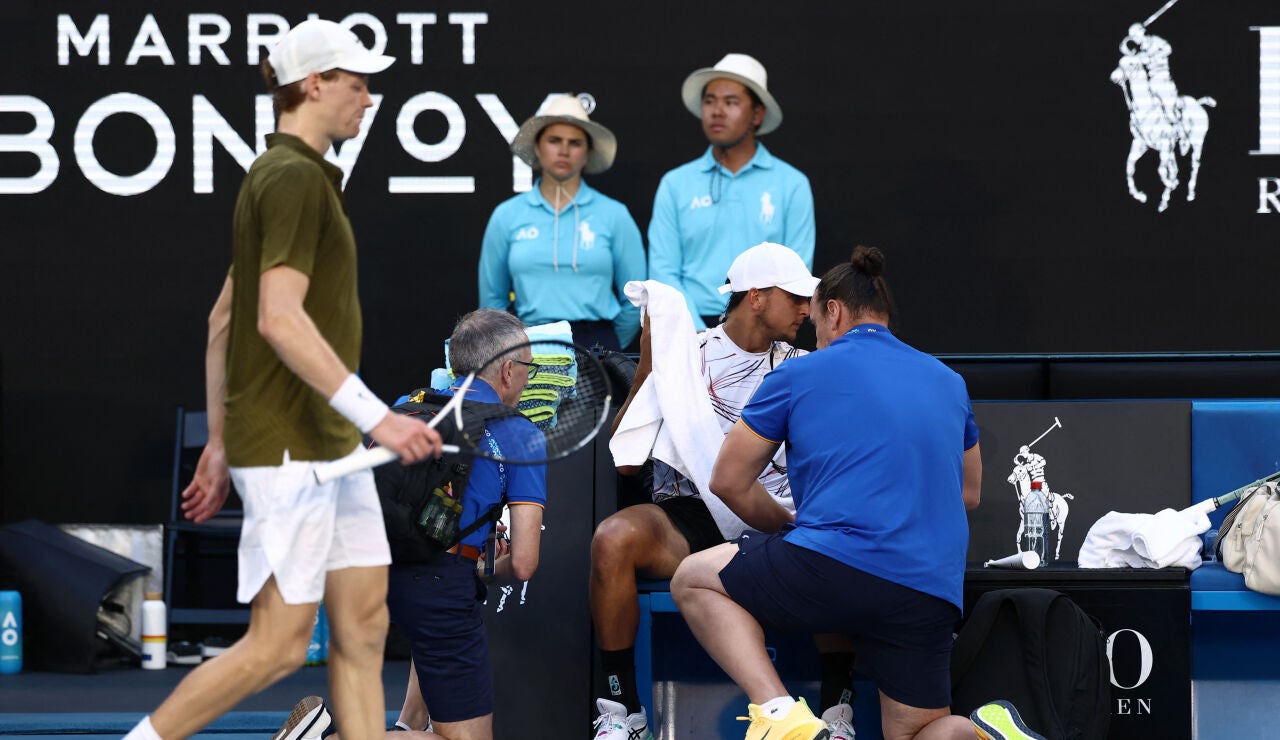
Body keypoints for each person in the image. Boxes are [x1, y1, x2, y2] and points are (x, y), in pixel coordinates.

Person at [123, 19, 443, 740]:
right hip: (300, 449)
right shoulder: (295, 177)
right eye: (357, 84)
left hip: (326, 450)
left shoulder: (289, 177)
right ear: (314, 84)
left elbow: (222, 317)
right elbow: (275, 318)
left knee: (363, 626)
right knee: (278, 645)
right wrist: (378, 417)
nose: (368, 98)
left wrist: (219, 440)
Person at [670, 246, 1040, 740]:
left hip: (832, 568)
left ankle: (781, 715)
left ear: (835, 311)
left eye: (816, 319)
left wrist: (788, 526)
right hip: (928, 590)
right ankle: (977, 733)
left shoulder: (798, 373)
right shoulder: (948, 381)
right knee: (916, 733)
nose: (815, 335)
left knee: (693, 578)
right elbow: (968, 494)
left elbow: (728, 480)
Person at [590, 242, 818, 740]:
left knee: (841, 539)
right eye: (795, 296)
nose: (807, 308)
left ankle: (839, 711)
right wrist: (650, 366)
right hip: (688, 519)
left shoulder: (807, 365)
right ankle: (622, 710)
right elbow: (626, 462)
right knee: (612, 538)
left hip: (780, 522)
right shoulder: (686, 354)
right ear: (755, 297)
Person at [648, 53, 815, 331]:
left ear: (757, 114)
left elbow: (793, 274)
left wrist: (744, 329)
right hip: (687, 328)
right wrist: (698, 333)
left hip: (763, 329)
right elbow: (663, 272)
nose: (717, 111)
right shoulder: (675, 183)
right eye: (710, 101)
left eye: (731, 102)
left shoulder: (791, 184)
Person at [478, 95, 646, 350]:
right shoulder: (507, 215)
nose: (564, 150)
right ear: (537, 146)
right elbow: (492, 302)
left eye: (575, 142)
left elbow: (637, 300)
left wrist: (606, 351)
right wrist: (517, 350)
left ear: (587, 152)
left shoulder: (614, 214)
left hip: (596, 343)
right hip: (530, 343)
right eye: (554, 140)